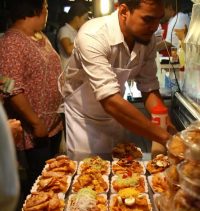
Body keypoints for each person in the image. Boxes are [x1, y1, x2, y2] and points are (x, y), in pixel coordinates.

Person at [59, 0, 175, 160]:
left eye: (159, 19)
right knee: (88, 176)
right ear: (123, 12)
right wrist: (165, 138)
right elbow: (109, 100)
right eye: (148, 19)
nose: (155, 27)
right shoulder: (93, 35)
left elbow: (149, 87)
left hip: (118, 114)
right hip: (84, 120)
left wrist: (164, 120)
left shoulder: (147, 40)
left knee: (120, 171)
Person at [0, 0, 63, 194]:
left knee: (55, 176)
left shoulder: (40, 36)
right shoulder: (11, 42)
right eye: (45, 8)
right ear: (34, 10)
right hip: (34, 129)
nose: (47, 13)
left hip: (53, 124)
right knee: (40, 184)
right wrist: (36, 123)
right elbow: (11, 88)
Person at [57, 1, 88, 69]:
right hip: (67, 72)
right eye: (85, 19)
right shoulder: (64, 30)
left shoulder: (77, 32)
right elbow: (68, 50)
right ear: (77, 18)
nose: (86, 22)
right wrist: (85, 38)